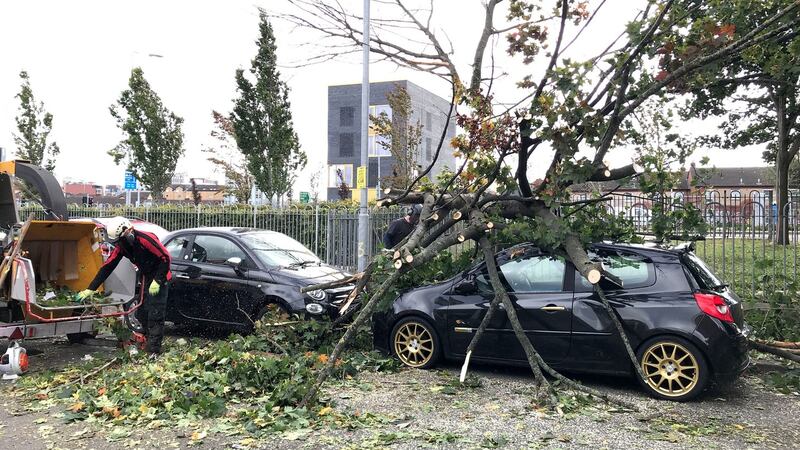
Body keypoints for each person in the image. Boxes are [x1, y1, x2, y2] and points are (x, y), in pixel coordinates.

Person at [77, 217, 172, 356]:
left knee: (155, 314)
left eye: (120, 241)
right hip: (146, 275)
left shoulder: (146, 239)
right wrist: (91, 288)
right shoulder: (122, 247)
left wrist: (157, 281)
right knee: (142, 312)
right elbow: (107, 267)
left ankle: (154, 351)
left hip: (160, 275)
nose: (119, 244)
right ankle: (148, 340)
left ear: (128, 233)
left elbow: (165, 258)